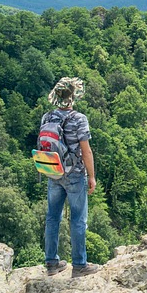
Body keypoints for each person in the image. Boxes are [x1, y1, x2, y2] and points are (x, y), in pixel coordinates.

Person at [42, 76, 100, 277]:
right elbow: (86, 151)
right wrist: (91, 176)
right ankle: (79, 265)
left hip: (54, 172)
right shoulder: (79, 119)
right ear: (72, 97)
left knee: (52, 217)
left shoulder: (47, 118)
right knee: (77, 220)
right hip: (75, 175)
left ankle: (51, 263)